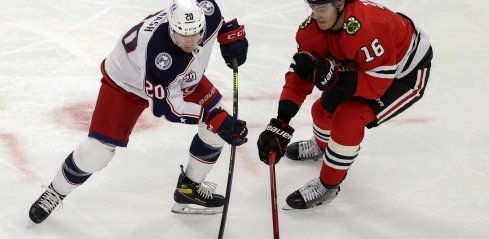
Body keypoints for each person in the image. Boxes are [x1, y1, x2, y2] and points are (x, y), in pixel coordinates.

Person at [29, 0, 249, 224]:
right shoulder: (160, 56)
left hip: (179, 79)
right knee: (98, 151)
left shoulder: (206, 12)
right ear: (171, 28)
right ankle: (55, 192)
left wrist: (229, 32)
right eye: (183, 35)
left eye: (196, 34)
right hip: (126, 83)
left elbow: (219, 15)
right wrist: (214, 118)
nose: (190, 42)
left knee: (215, 130)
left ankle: (188, 190)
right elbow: (169, 109)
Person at [257, 0, 433, 209]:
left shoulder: (367, 29)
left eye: (321, 8)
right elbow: (300, 77)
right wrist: (281, 120)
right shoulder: (311, 30)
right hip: (364, 66)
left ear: (339, 4)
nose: (315, 15)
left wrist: (335, 80)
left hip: (404, 74)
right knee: (321, 111)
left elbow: (377, 86)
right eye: (312, 7)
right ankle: (322, 148)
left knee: (348, 119)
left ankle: (328, 186)